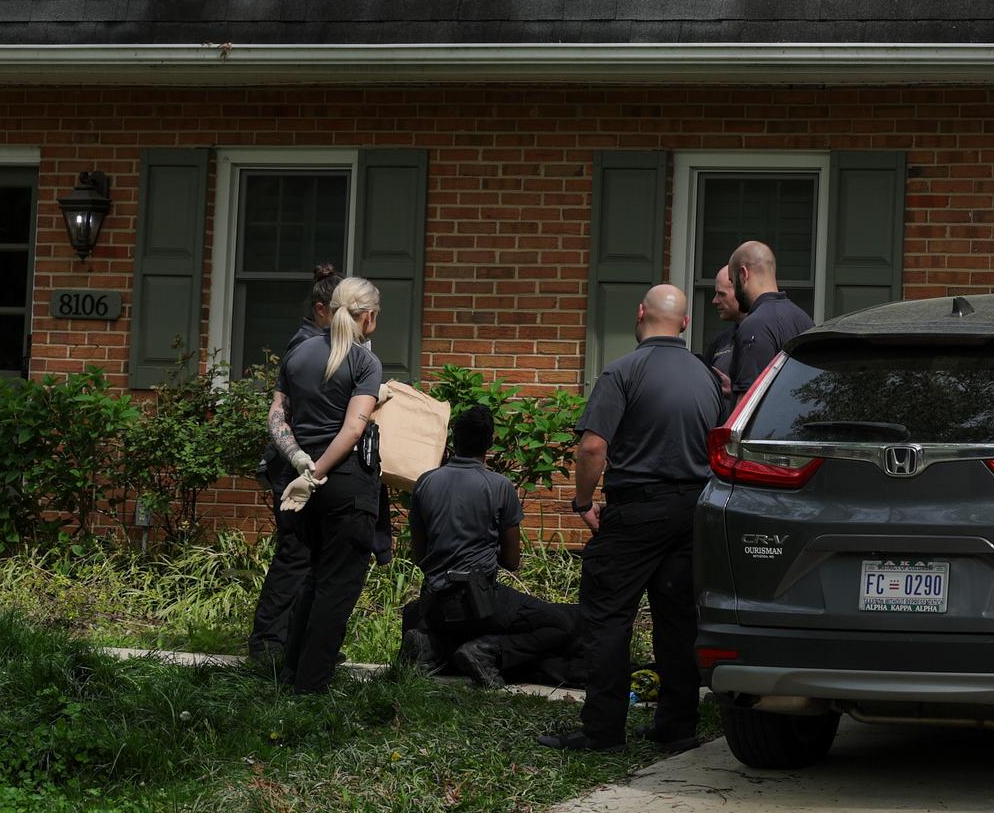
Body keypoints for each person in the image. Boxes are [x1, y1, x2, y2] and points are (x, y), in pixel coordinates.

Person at [537, 283, 719, 753]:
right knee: (677, 620)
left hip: (637, 510)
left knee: (607, 618)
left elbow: (594, 446)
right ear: (684, 323)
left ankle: (603, 730)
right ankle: (677, 725)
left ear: (641, 314)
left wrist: (582, 502)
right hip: (692, 511)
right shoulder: (706, 376)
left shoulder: (623, 371)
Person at [399, 404, 582, 686]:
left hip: (434, 604)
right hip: (480, 603)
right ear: (490, 442)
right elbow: (511, 561)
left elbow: (420, 554)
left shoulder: (426, 482)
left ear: (453, 439)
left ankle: (433, 646)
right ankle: (487, 651)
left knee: (449, 622)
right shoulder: (499, 486)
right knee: (560, 624)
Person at [275, 274, 386, 693]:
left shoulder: (299, 353)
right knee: (337, 589)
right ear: (369, 317)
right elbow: (353, 430)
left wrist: (299, 464)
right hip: (344, 486)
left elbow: (277, 418)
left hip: (301, 485)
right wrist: (318, 473)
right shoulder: (364, 361)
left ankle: (291, 674)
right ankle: (311, 686)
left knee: (313, 578)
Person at [248, 262, 340, 669]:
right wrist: (301, 460)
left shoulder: (331, 344)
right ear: (322, 309)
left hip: (311, 469)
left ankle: (291, 642)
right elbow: (283, 413)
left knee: (308, 557)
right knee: (296, 556)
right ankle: (268, 644)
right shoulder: (305, 346)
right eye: (344, 313)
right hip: (293, 470)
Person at [721, 241, 815, 398]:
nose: (734, 288)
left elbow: (748, 403)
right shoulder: (805, 321)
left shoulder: (754, 326)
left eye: (732, 281)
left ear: (743, 274)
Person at [704, 262, 746, 397]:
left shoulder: (768, 334)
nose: (715, 301)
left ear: (741, 291)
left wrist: (733, 391)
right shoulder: (719, 342)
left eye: (721, 294)